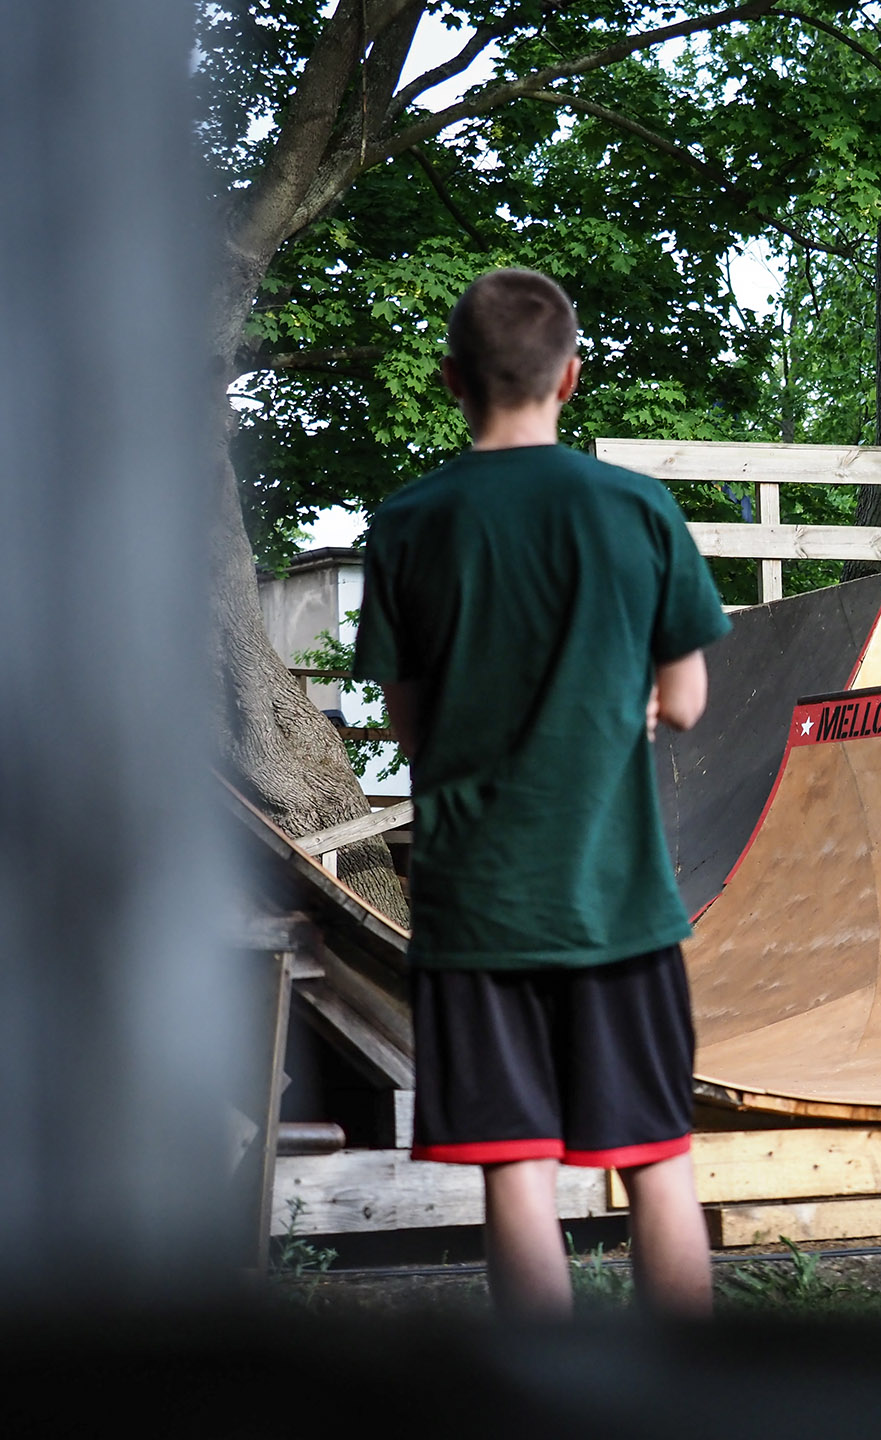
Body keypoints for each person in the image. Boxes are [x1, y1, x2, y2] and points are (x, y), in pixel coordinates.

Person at [353, 268, 731, 1319]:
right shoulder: (636, 507)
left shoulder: (407, 523)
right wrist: (624, 703)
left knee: (515, 1169)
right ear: (570, 378)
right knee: (657, 1159)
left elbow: (411, 727)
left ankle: (538, 1394)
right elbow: (687, 701)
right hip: (617, 900)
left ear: (450, 379)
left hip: (477, 908)